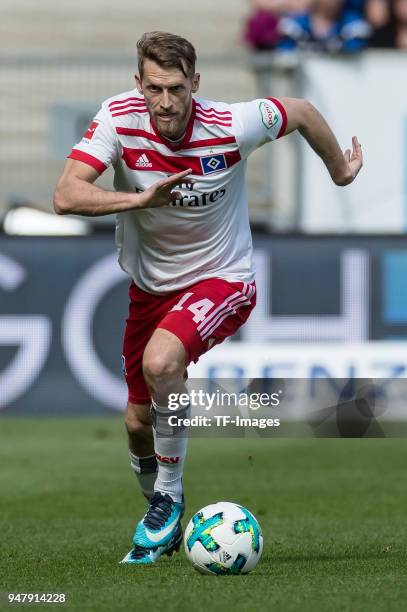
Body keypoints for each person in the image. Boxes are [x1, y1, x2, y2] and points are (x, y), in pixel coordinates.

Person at [53, 31, 363, 565]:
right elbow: (65, 194)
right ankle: (163, 515)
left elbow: (304, 111)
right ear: (138, 84)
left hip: (224, 276)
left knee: (162, 360)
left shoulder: (232, 124)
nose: (165, 102)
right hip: (151, 288)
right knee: (135, 423)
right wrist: (138, 197)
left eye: (176, 88)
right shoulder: (119, 118)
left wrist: (339, 171)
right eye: (154, 88)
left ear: (195, 83)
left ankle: (170, 497)